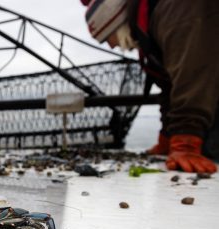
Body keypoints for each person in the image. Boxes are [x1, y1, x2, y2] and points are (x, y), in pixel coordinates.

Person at [82, 0, 218, 173]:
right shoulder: (151, 27)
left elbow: (194, 70)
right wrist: (168, 135)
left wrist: (186, 140)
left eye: (107, 38)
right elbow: (170, 85)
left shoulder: (178, 10)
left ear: (115, 23)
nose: (111, 45)